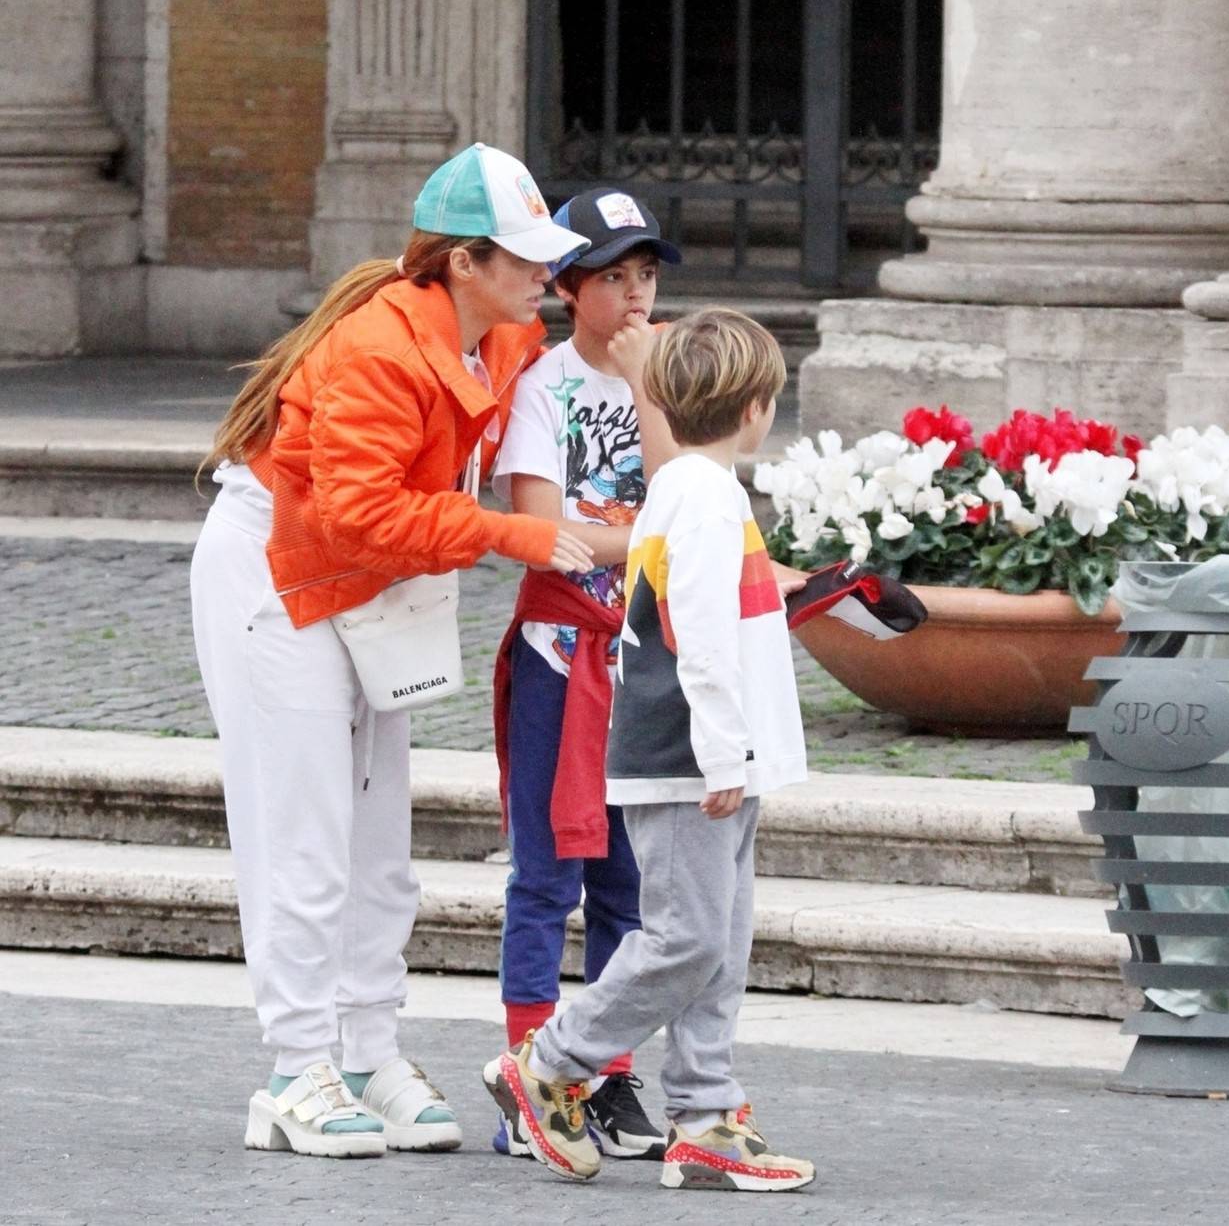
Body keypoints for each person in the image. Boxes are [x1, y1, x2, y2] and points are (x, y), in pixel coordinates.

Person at [189, 142, 596, 1160]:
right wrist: (519, 537)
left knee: (376, 843)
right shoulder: (378, 346)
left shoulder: (501, 337)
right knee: (306, 831)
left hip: (364, 585)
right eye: (523, 254)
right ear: (464, 262)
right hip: (276, 576)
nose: (542, 272)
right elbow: (366, 510)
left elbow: (450, 481)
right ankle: (292, 1067)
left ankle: (367, 1053)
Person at [483, 308, 816, 1192]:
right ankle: (550, 1061)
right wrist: (721, 752)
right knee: (688, 937)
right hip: (695, 759)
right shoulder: (705, 495)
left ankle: (706, 1115)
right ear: (755, 409)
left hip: (711, 757)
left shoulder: (686, 488)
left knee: (718, 940)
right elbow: (700, 637)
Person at [489, 189, 681, 1160]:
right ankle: (528, 1079)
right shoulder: (543, 387)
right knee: (544, 874)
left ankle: (601, 1072)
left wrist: (651, 390)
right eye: (613, 275)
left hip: (641, 662)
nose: (636, 294)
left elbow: (685, 504)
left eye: (645, 273)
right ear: (567, 287)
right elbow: (544, 537)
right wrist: (638, 538)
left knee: (626, 879)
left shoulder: (666, 379)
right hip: (561, 658)